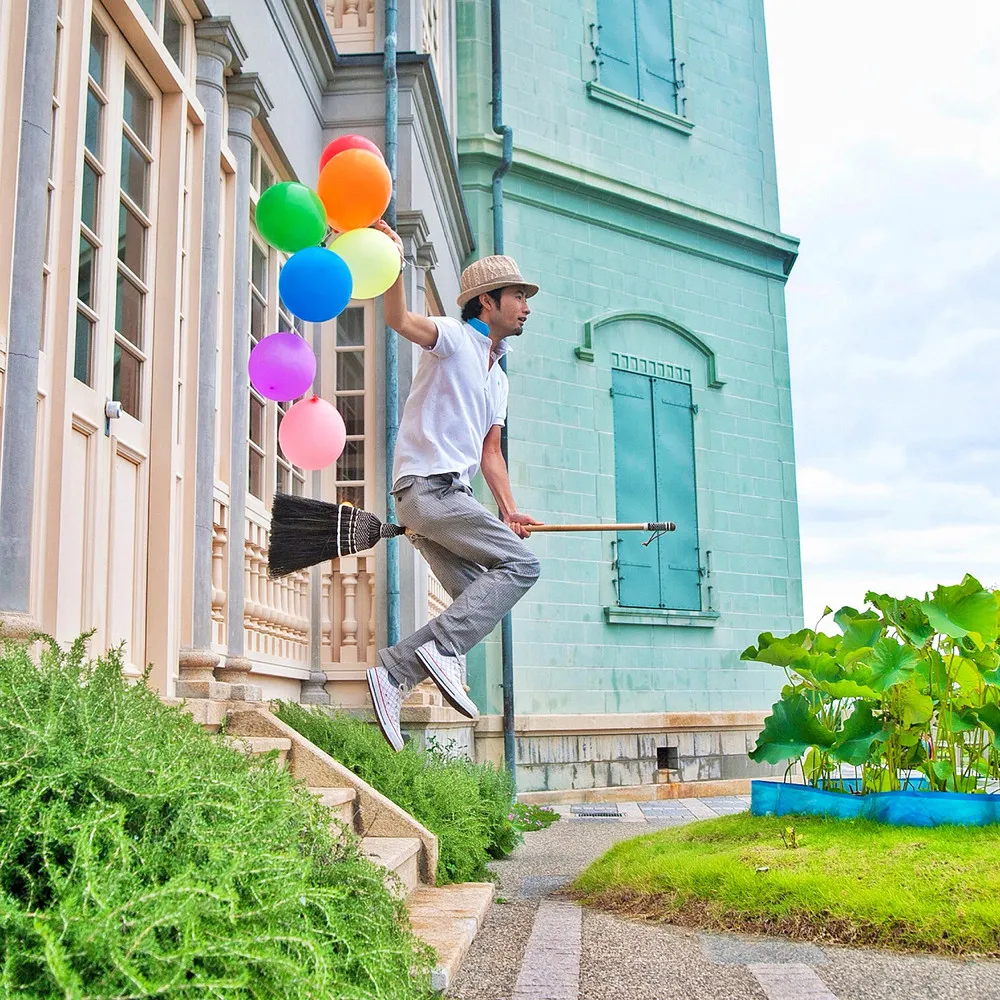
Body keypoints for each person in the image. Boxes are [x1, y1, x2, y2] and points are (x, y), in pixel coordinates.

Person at [365, 219, 543, 751]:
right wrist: (394, 261)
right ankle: (433, 655)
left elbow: (491, 454)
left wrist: (509, 510)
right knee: (522, 567)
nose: (526, 306)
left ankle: (394, 676)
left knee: (480, 596)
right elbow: (397, 317)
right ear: (486, 302)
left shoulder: (500, 377)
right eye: (517, 296)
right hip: (427, 490)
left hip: (451, 497)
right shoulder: (452, 338)